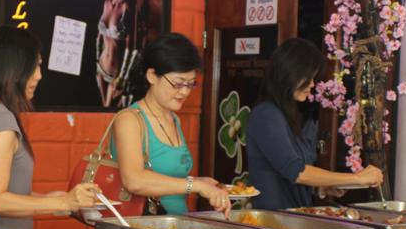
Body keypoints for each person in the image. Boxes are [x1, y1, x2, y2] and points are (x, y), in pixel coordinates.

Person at [0, 26, 100, 229]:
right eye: (35, 66)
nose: (39, 76)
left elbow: (6, 193)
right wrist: (64, 202)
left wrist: (52, 199)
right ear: (13, 69)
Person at [246, 38, 383, 210]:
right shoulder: (266, 114)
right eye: (307, 77)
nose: (312, 84)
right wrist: (357, 178)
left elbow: (286, 177)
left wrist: (322, 187)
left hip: (292, 218)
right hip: (274, 221)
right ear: (289, 73)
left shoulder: (287, 115)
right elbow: (297, 172)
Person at [111, 33, 231, 215]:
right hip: (140, 228)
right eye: (178, 84)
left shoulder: (174, 119)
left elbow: (168, 177)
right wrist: (195, 185)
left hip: (173, 225)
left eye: (190, 84)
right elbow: (134, 181)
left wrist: (200, 182)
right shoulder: (129, 120)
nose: (184, 92)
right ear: (152, 76)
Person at [96, 0, 148, 108]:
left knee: (108, 110)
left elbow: (131, 48)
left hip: (116, 74)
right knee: (101, 109)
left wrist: (122, 78)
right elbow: (99, 37)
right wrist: (96, 58)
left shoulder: (127, 9)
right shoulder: (107, 4)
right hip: (100, 67)